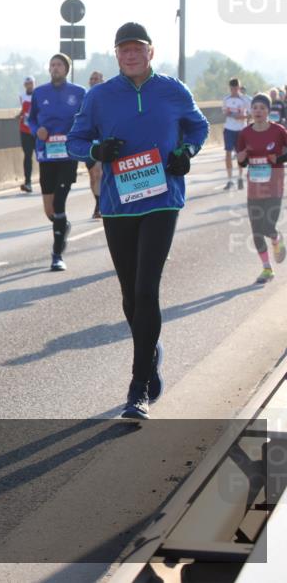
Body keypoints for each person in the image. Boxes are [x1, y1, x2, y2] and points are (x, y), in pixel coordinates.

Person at [68, 22, 209, 420]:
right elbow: (75, 141)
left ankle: (138, 386)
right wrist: (97, 148)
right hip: (118, 204)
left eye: (138, 49)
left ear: (150, 51)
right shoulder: (99, 96)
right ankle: (152, 351)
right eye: (124, 50)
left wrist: (188, 150)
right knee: (131, 296)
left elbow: (199, 127)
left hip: (163, 198)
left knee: (147, 290)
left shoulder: (173, 90)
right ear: (116, 55)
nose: (131, 56)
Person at [28, 53, 85, 271]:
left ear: (66, 69)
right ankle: (63, 225)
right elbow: (31, 119)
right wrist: (37, 130)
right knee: (50, 210)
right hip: (46, 154)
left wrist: (76, 135)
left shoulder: (79, 93)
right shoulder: (40, 93)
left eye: (59, 65)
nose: (55, 68)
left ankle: (56, 254)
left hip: (68, 155)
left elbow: (87, 118)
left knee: (60, 203)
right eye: (52, 65)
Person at [235, 93, 287, 283]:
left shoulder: (279, 131)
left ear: (268, 110)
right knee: (257, 230)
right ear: (251, 110)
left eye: (262, 108)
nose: (258, 111)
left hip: (274, 185)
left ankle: (276, 238)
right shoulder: (245, 133)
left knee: (268, 226)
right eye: (255, 107)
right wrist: (241, 160)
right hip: (255, 187)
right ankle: (267, 269)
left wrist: (278, 159)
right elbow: (243, 162)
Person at [222, 77, 250, 191]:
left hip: (241, 129)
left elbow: (251, 114)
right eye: (232, 88)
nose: (234, 90)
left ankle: (240, 177)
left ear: (239, 87)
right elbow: (225, 112)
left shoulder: (245, 100)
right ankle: (229, 180)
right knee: (228, 153)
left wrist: (242, 117)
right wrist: (232, 115)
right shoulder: (226, 99)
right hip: (229, 129)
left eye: (236, 87)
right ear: (230, 88)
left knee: (240, 154)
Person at [86, 71, 105, 218]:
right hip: (88, 143)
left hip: (103, 142)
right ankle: (98, 201)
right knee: (93, 176)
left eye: (96, 79)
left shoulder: (108, 97)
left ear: (102, 81)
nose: (93, 81)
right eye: (91, 79)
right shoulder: (84, 97)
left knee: (99, 173)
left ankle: (100, 206)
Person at [17, 76, 36, 193]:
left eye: (31, 83)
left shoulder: (39, 95)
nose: (29, 85)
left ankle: (47, 179)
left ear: (34, 84)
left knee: (41, 155)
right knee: (27, 156)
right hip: (25, 130)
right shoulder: (22, 96)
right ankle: (28, 182)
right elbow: (23, 110)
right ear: (25, 85)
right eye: (27, 84)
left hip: (37, 130)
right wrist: (19, 115)